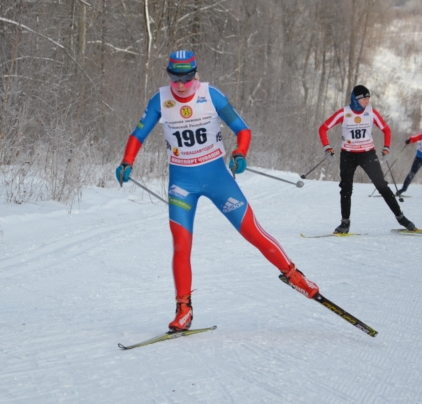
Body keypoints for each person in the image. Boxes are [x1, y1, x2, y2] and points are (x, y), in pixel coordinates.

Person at [115, 50, 319, 332]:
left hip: (218, 178)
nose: (182, 84)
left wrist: (240, 152)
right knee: (181, 245)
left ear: (195, 74)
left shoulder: (212, 96)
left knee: (252, 232)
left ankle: (295, 276)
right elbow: (138, 134)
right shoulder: (160, 100)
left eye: (187, 77)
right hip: (181, 183)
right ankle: (183, 309)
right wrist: (127, 160)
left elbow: (243, 129)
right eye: (175, 78)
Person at [318, 85, 417, 234]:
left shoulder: (371, 112)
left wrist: (386, 148)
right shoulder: (344, 113)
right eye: (364, 98)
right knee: (346, 189)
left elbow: (386, 130)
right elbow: (323, 128)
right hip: (348, 155)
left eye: (368, 98)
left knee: (382, 186)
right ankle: (345, 223)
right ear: (356, 99)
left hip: (368, 154)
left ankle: (401, 218)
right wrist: (327, 147)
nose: (367, 101)